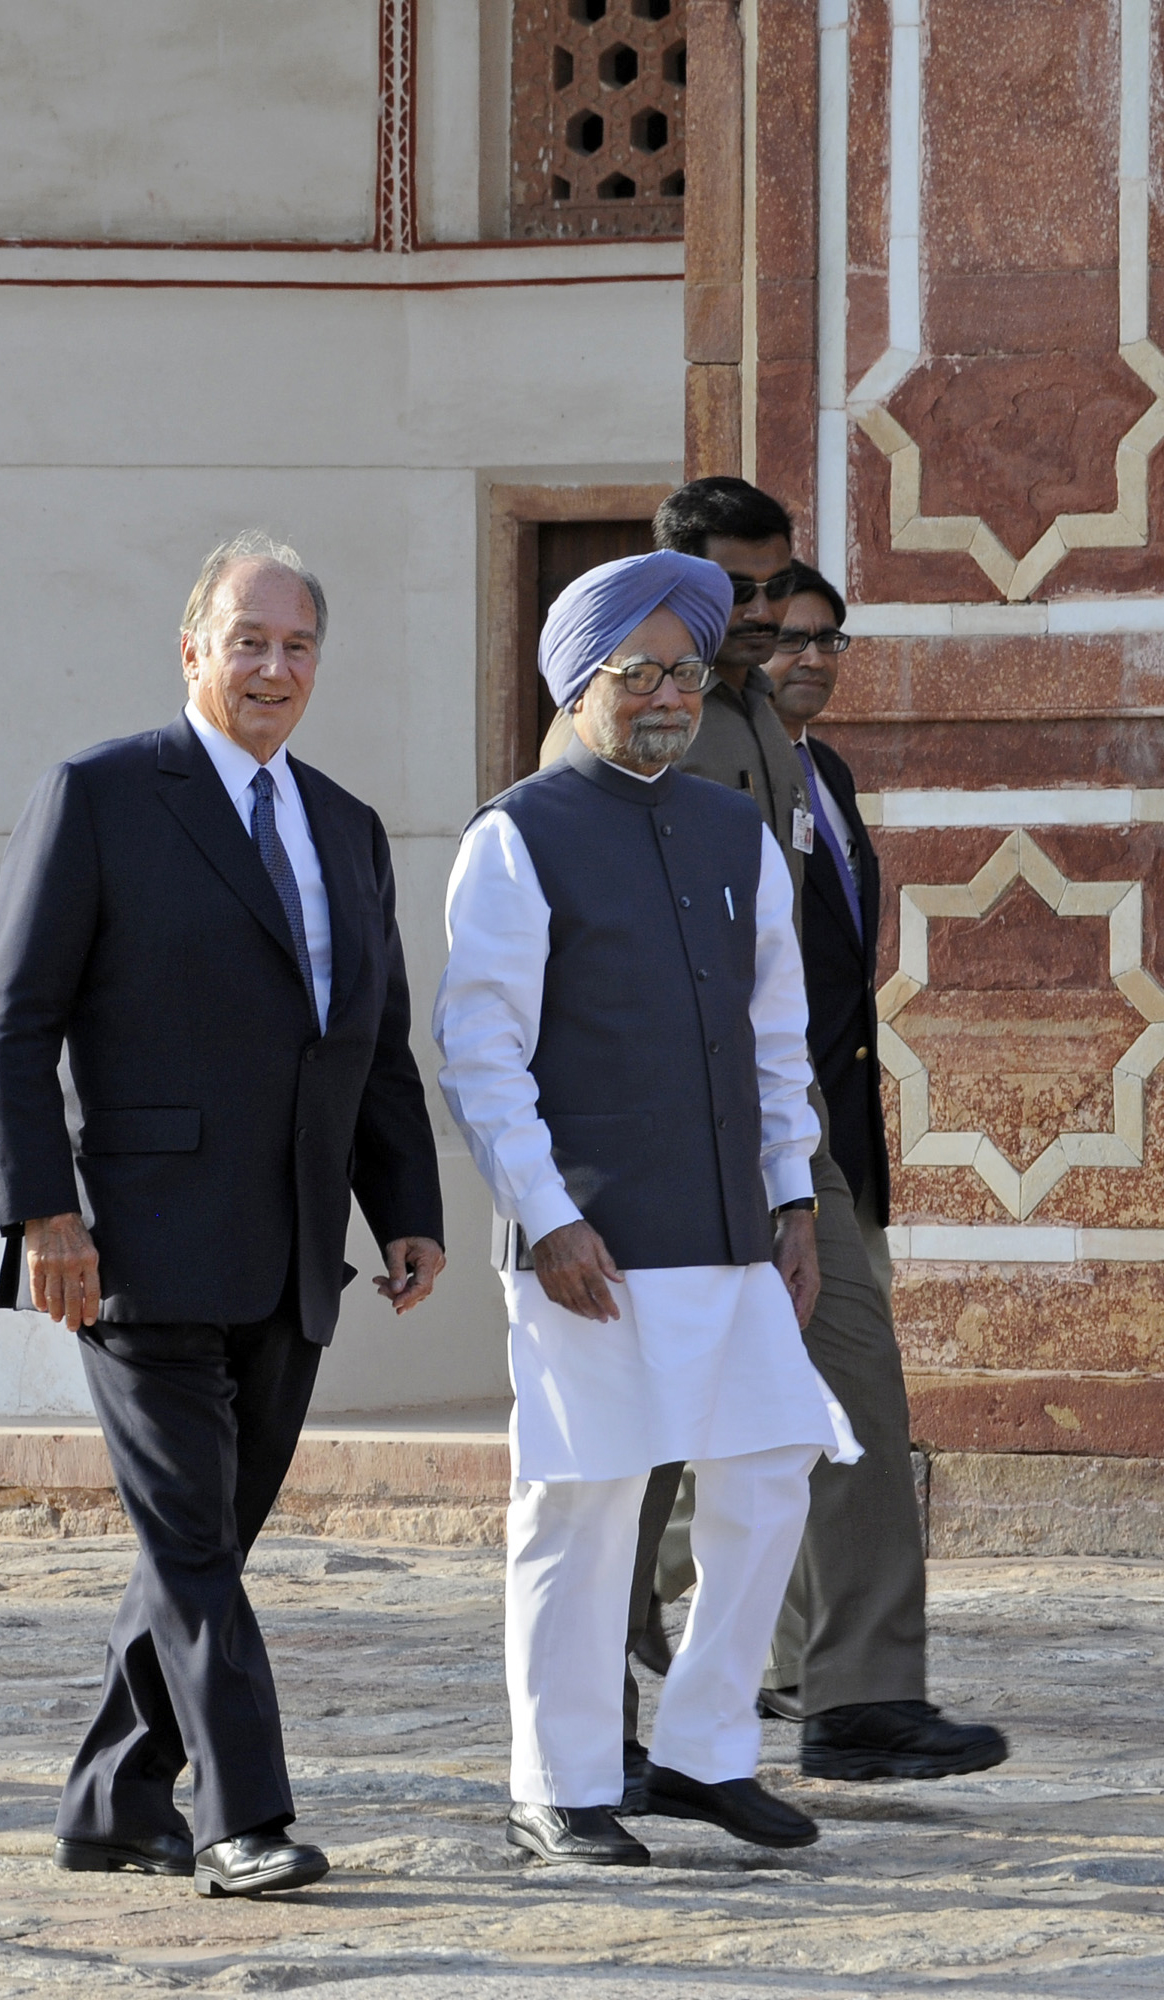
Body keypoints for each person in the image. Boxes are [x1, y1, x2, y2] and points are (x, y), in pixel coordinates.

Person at [0, 532, 445, 1897]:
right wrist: (43, 1215)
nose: (274, 667)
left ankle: (113, 1801)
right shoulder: (103, 795)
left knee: (203, 1552)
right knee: (190, 1547)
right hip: (132, 1247)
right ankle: (242, 1818)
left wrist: (402, 1204)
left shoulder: (344, 826)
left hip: (292, 1249)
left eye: (297, 646)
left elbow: (373, 1042)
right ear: (192, 650)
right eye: (249, 641)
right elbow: (8, 1021)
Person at [543, 478, 1007, 1783]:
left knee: (850, 1396)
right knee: (634, 1435)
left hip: (788, 1142)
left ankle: (856, 1698)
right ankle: (596, 1701)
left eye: (775, 587)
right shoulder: (635, 709)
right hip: (654, 1146)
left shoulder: (761, 721)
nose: (759, 615)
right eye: (738, 594)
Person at [435, 549, 859, 1869]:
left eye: (686, 670)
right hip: (592, 1246)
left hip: (734, 1232)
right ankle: (558, 1784)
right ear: (581, 682)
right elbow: (481, 1053)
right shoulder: (515, 836)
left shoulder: (733, 828)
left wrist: (792, 1196)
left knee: (772, 1466)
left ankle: (701, 1748)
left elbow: (774, 1032)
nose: (670, 695)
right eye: (641, 672)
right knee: (585, 1500)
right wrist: (547, 1217)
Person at [766, 560, 892, 1308]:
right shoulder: (719, 778)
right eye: (789, 640)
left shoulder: (829, 771)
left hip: (844, 1133)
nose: (811, 658)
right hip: (773, 1146)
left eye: (826, 641)